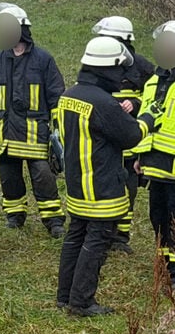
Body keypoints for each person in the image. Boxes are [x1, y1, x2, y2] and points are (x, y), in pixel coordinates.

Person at [56, 37, 153, 316]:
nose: (122, 76)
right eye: (120, 70)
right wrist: (147, 119)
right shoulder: (103, 103)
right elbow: (131, 136)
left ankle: (64, 296)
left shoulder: (69, 95)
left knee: (75, 236)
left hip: (77, 183)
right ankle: (81, 302)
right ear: (108, 68)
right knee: (96, 242)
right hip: (101, 185)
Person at [0, 3, 66, 236]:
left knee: (43, 177)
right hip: (5, 134)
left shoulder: (43, 59)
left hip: (35, 134)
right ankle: (15, 216)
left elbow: (56, 96)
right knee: (9, 178)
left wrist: (59, 133)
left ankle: (53, 221)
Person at [91, 16, 155, 253]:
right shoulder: (97, 61)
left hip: (130, 139)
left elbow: (154, 96)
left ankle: (120, 237)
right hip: (103, 139)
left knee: (129, 189)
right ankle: (102, 234)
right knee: (103, 188)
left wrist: (135, 103)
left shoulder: (142, 66)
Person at [134, 21, 175, 287]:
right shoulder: (153, 81)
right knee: (157, 217)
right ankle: (165, 267)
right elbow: (146, 119)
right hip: (156, 165)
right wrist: (140, 157)